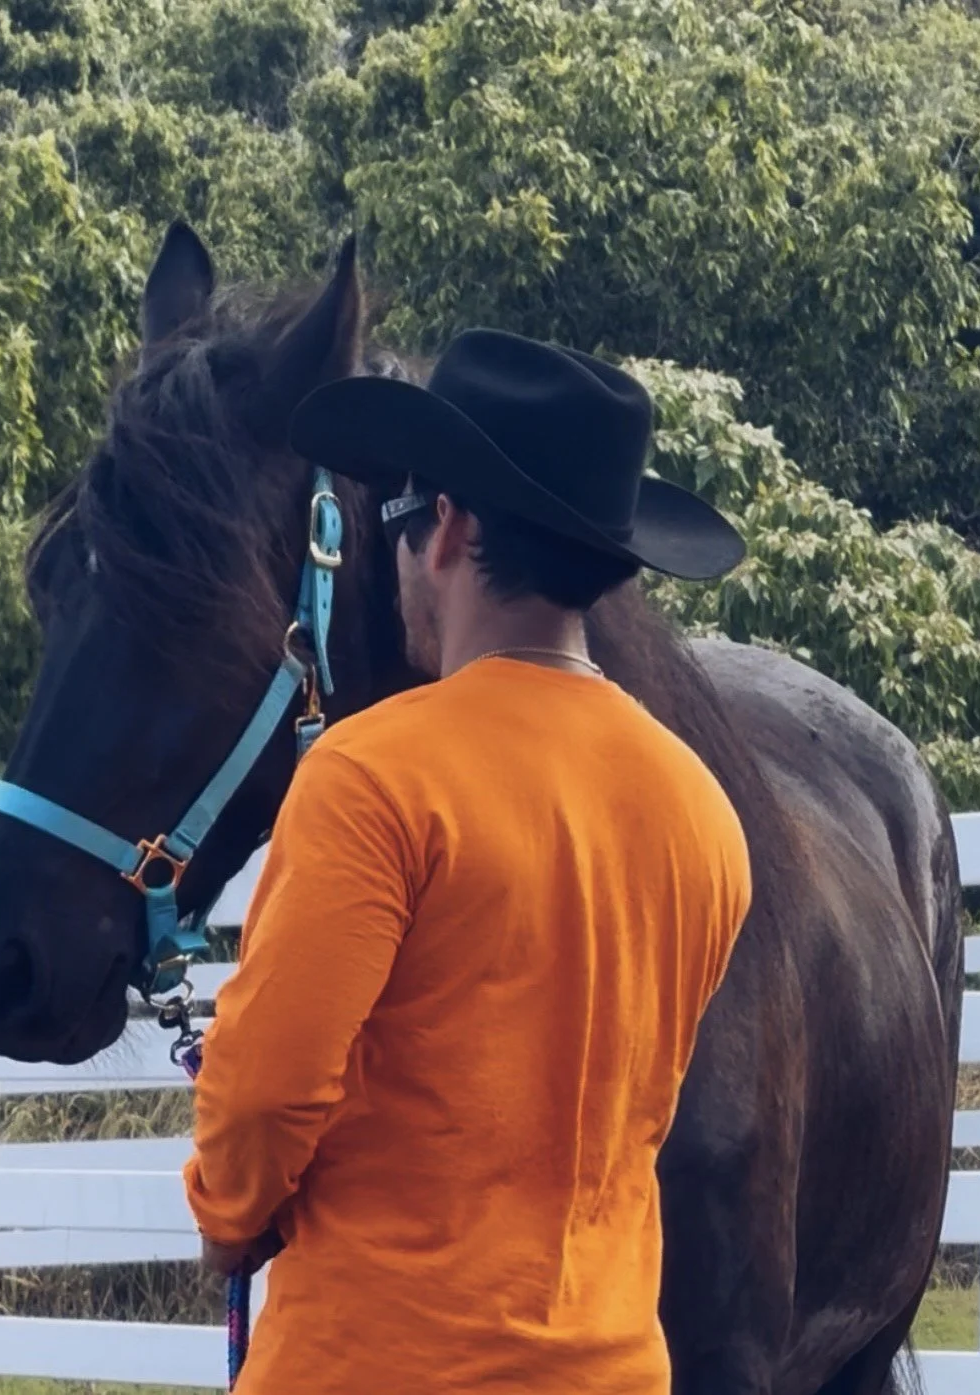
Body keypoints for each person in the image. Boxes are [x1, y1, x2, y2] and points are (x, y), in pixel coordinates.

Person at [182, 328, 754, 1394]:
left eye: (397, 521)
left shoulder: (372, 775)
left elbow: (265, 1097)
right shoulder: (701, 813)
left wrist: (228, 1215)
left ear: (442, 528)